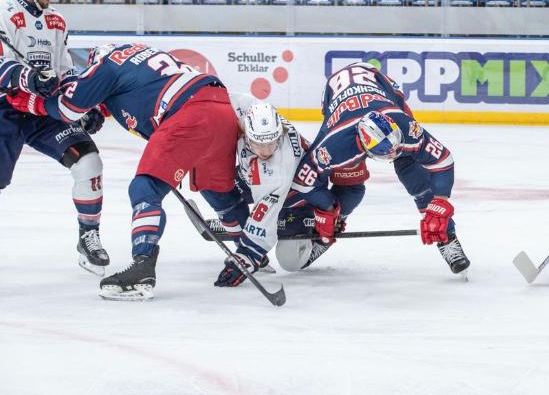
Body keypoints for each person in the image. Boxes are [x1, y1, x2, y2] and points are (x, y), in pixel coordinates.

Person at [4, 43, 242, 301]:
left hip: (188, 115)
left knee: (145, 188)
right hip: (221, 107)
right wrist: (95, 111)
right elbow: (130, 92)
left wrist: (30, 101)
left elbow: (68, 108)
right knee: (217, 188)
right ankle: (250, 249)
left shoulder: (107, 64)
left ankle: (142, 267)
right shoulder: (143, 54)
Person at [290, 62, 470, 276]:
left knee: (414, 175)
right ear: (362, 144)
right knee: (350, 188)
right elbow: (304, 181)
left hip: (381, 89)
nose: (393, 155)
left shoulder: (405, 126)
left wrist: (440, 202)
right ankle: (329, 231)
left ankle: (447, 237)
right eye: (385, 154)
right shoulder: (333, 145)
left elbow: (442, 160)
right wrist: (328, 210)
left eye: (394, 149)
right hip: (338, 99)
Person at [0, 0, 110, 275]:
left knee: (89, 160)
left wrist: (83, 106)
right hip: (5, 108)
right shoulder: (3, 13)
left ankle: (88, 238)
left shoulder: (57, 21)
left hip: (43, 111)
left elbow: (65, 72)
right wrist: (29, 77)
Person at [205, 93, 310, 287]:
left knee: (289, 260)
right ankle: (236, 220)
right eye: (259, 143)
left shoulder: (278, 167)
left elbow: (265, 213)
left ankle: (311, 235)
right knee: (210, 182)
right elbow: (218, 97)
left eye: (271, 143)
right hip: (254, 176)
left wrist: (247, 257)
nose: (266, 151)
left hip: (293, 193)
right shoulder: (253, 111)